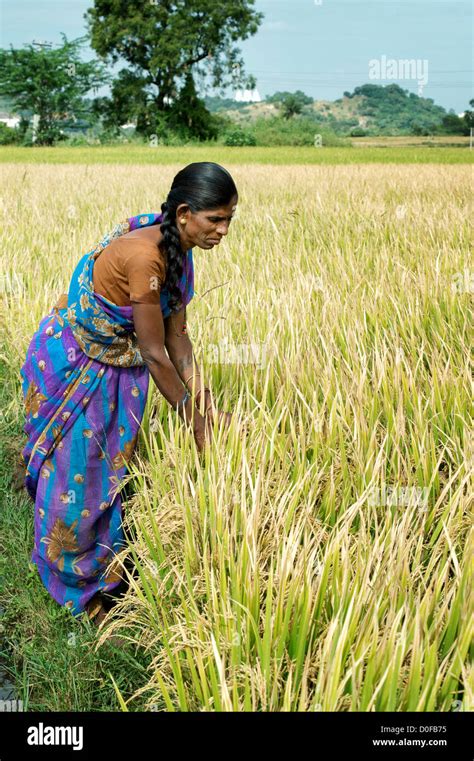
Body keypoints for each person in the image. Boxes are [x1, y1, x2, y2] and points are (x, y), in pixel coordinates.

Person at [18, 161, 238, 625]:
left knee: (105, 471)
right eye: (215, 219)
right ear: (183, 213)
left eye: (229, 220)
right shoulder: (146, 257)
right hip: (80, 365)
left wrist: (206, 405)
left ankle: (105, 569)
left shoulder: (178, 248)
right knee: (79, 473)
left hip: (114, 366)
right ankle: (76, 587)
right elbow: (156, 354)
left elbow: (180, 340)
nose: (223, 230)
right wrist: (195, 423)